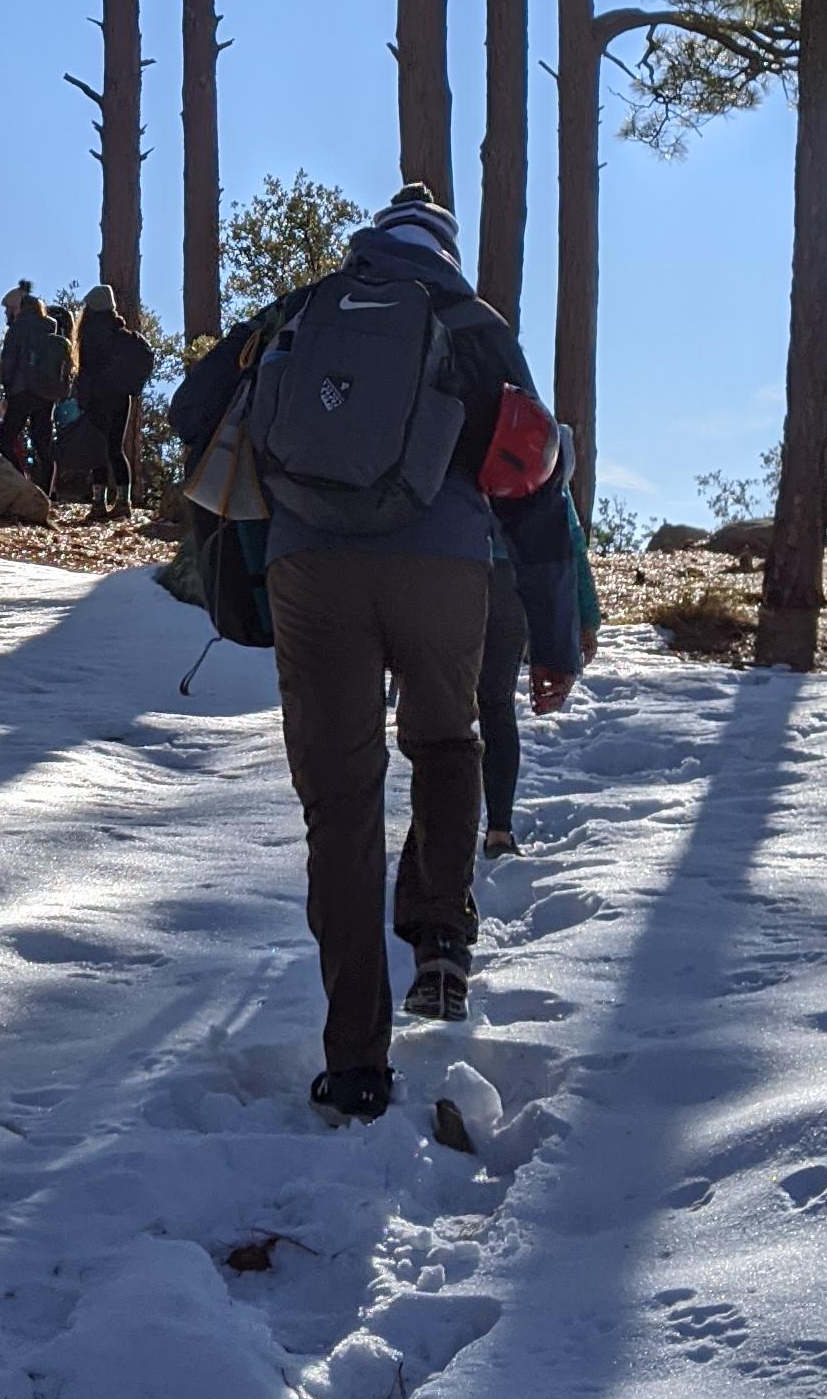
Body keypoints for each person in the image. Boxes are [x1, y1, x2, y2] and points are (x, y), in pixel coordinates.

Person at [168, 182, 579, 1126]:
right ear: (444, 246)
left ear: (371, 241)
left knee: (340, 805)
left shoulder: (302, 308)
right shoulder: (471, 321)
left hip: (313, 573)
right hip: (442, 568)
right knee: (445, 744)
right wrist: (554, 639)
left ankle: (355, 1060)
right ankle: (440, 941)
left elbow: (195, 409)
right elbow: (533, 485)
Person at [476, 503, 601, 858]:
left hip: (446, 561)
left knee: (443, 711)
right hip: (508, 572)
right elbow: (565, 526)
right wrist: (586, 613)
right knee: (496, 703)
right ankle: (499, 833)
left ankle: (435, 835)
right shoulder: (536, 444)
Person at [72, 283, 156, 519]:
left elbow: (86, 370)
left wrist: (82, 398)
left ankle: (99, 503)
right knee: (116, 449)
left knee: (98, 448)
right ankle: (123, 502)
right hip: (121, 397)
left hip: (98, 397)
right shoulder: (124, 335)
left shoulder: (90, 334)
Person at [0, 280, 68, 485]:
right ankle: (46, 494)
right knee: (43, 445)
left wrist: (7, 390)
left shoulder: (18, 330)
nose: (6, 314)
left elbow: (9, 364)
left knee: (6, 441)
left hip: (22, 391)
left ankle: (22, 485)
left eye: (9, 309)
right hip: (46, 393)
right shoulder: (51, 330)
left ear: (17, 308)